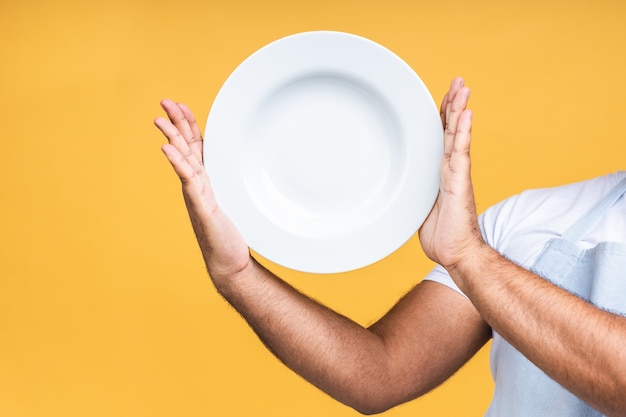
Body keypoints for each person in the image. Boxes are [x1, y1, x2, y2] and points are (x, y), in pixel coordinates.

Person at [154, 78, 626, 417]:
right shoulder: (528, 220)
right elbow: (379, 374)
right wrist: (238, 276)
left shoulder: (478, 255)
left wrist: (469, 259)